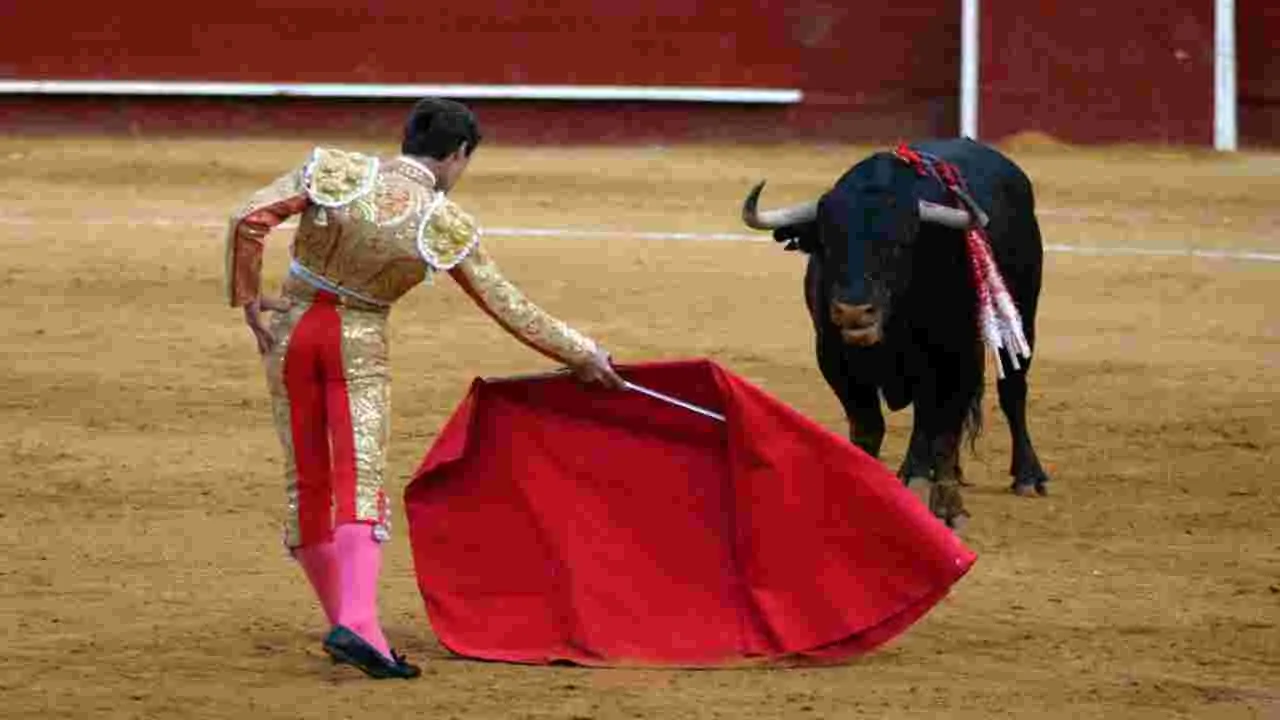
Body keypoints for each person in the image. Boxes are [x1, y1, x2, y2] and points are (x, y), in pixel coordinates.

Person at [224, 97, 624, 679]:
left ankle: (346, 622)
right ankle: (360, 626)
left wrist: (246, 298)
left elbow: (249, 219)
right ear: (458, 153)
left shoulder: (336, 170)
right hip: (356, 342)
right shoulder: (441, 221)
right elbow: (508, 306)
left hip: (290, 331)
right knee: (357, 479)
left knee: (307, 479)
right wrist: (582, 354)